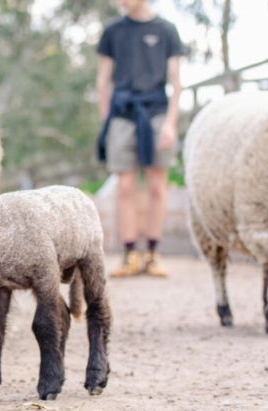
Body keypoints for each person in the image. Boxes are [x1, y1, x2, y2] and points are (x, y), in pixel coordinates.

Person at [96, 0, 183, 277]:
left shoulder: (167, 30)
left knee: (158, 187)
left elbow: (177, 82)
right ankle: (130, 254)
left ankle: (153, 254)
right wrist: (106, 122)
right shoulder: (112, 31)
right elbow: (103, 81)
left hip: (156, 114)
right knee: (124, 187)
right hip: (122, 115)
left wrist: (170, 124)